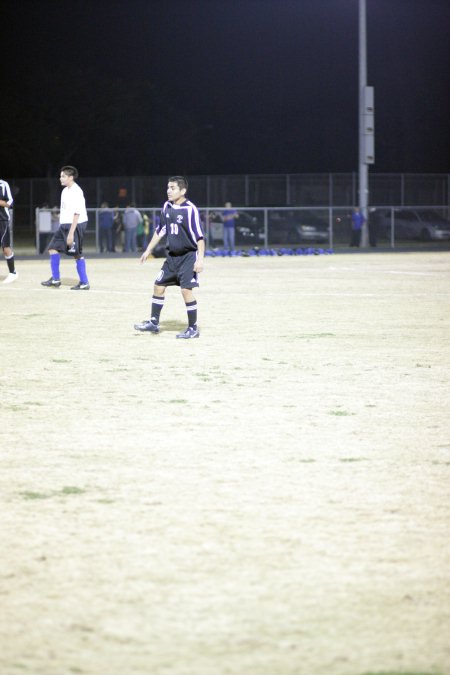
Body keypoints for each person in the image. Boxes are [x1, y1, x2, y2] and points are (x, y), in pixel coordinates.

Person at [134, 176, 204, 339]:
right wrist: (148, 250)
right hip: (172, 257)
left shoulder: (190, 209)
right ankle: (153, 323)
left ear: (183, 191)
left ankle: (193, 329)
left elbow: (200, 237)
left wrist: (200, 260)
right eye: (168, 187)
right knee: (158, 286)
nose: (168, 191)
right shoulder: (166, 206)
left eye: (173, 188)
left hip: (188, 256)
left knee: (186, 290)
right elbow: (161, 230)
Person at [41, 166, 90, 290]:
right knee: (52, 248)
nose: (60, 178)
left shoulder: (76, 191)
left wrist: (71, 233)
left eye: (63, 176)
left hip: (76, 225)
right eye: (60, 176)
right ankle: (56, 279)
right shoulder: (65, 191)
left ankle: (84, 282)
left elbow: (77, 213)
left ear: (71, 177)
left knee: (76, 254)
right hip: (64, 225)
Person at [0, 177, 18, 283]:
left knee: (5, 247)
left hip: (2, 220)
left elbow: (10, 203)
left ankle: (13, 273)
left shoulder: (3, 184)